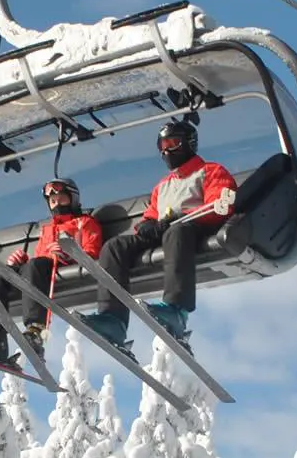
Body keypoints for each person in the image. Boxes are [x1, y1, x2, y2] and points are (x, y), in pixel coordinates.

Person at [81, 119, 235, 351]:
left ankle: (177, 310)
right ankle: (113, 319)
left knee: (177, 231)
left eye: (173, 144)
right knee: (114, 246)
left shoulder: (211, 171)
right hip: (166, 230)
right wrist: (147, 225)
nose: (167, 151)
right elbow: (151, 214)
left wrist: (181, 218)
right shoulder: (162, 185)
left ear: (188, 143)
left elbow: (218, 205)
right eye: (162, 146)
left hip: (195, 226)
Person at [0, 177, 104, 364]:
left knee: (36, 265)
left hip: (64, 266)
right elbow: (39, 258)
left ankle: (35, 330)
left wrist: (69, 253)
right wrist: (21, 262)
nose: (57, 203)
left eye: (61, 199)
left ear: (72, 199)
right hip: (41, 271)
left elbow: (93, 252)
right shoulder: (47, 229)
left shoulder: (85, 222)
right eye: (53, 201)